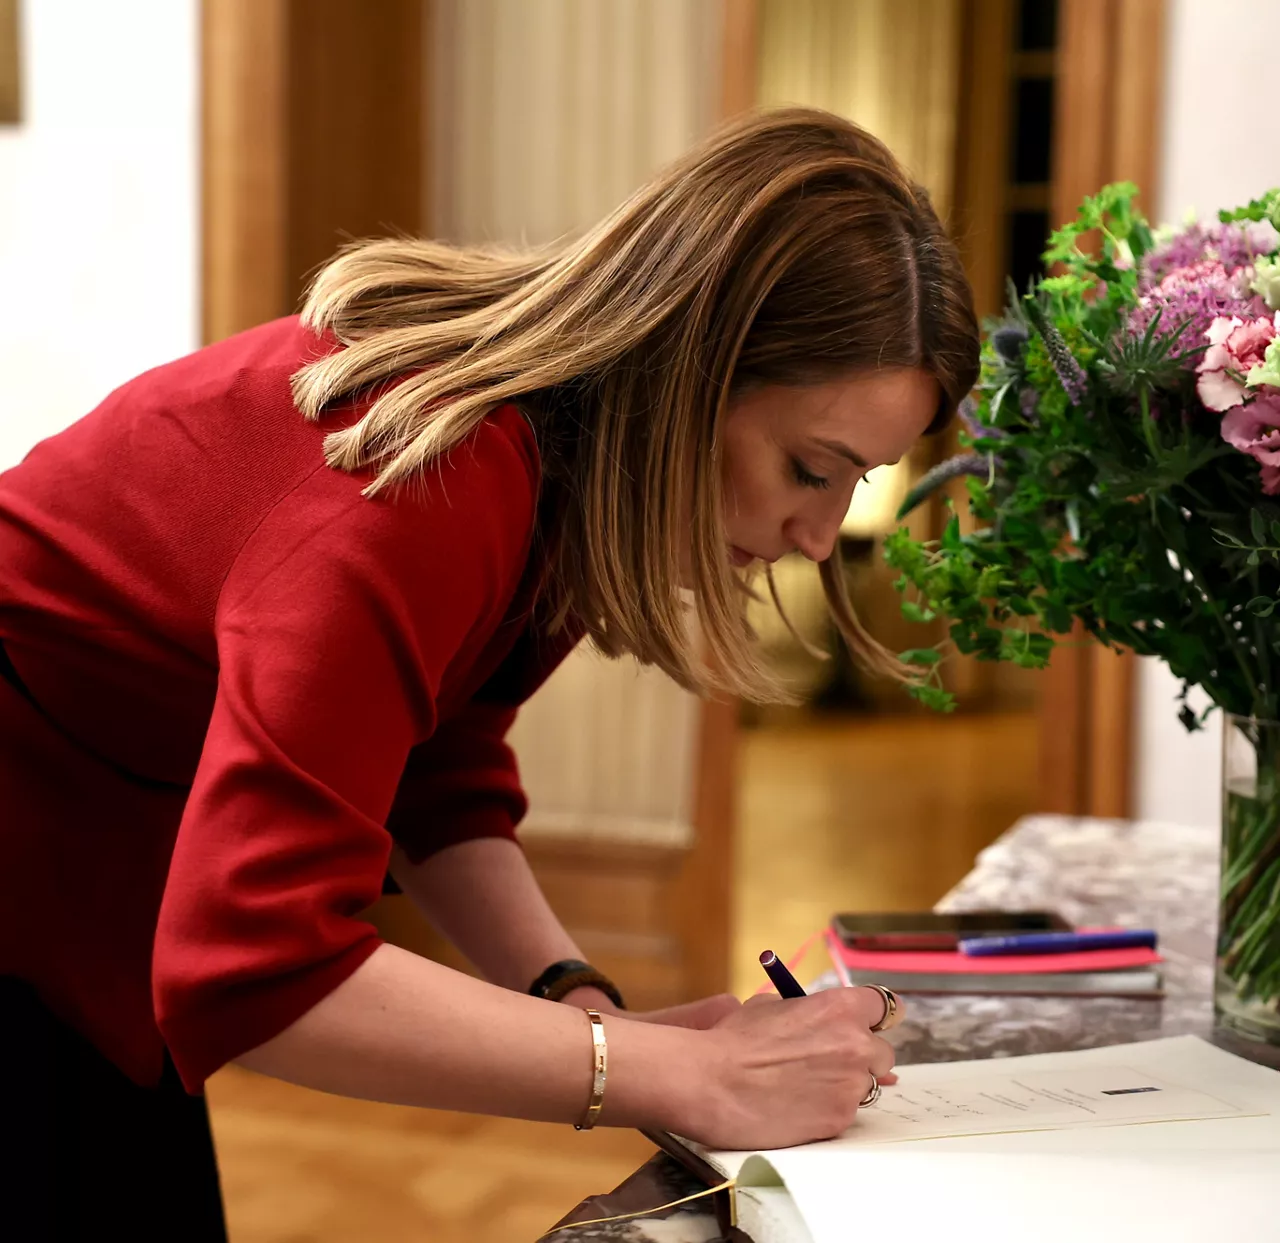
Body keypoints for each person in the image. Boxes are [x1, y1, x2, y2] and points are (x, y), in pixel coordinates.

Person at [0, 107, 978, 1238]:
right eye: (810, 468)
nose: (817, 535)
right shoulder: (426, 482)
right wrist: (669, 1076)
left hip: (85, 890)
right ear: (687, 372)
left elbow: (439, 765)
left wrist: (591, 1008)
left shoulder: (565, 464)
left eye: (847, 486)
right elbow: (254, 970)